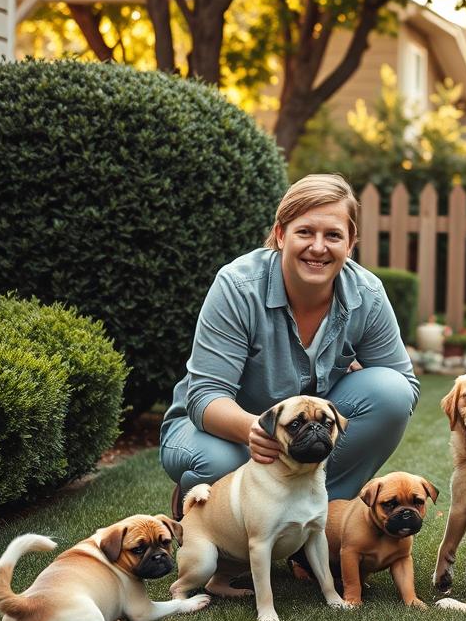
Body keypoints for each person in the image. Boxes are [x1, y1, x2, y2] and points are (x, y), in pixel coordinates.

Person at [159, 173, 419, 520]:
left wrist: (358, 379)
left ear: (351, 242)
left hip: (302, 429)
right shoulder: (238, 286)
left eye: (333, 235)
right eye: (305, 232)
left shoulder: (367, 294)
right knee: (222, 462)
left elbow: (406, 388)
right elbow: (205, 396)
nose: (318, 247)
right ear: (281, 234)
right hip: (225, 432)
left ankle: (314, 518)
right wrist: (256, 430)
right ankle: (196, 503)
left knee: (390, 391)